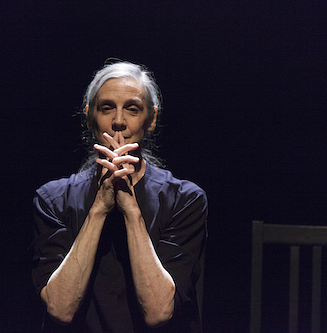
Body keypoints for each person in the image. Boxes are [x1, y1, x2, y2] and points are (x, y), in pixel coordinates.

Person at [31, 61, 208, 332]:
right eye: (106, 108)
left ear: (152, 119)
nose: (118, 121)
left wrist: (130, 209)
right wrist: (100, 207)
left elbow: (159, 312)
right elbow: (61, 308)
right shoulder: (53, 199)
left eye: (133, 109)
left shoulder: (184, 199)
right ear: (89, 117)